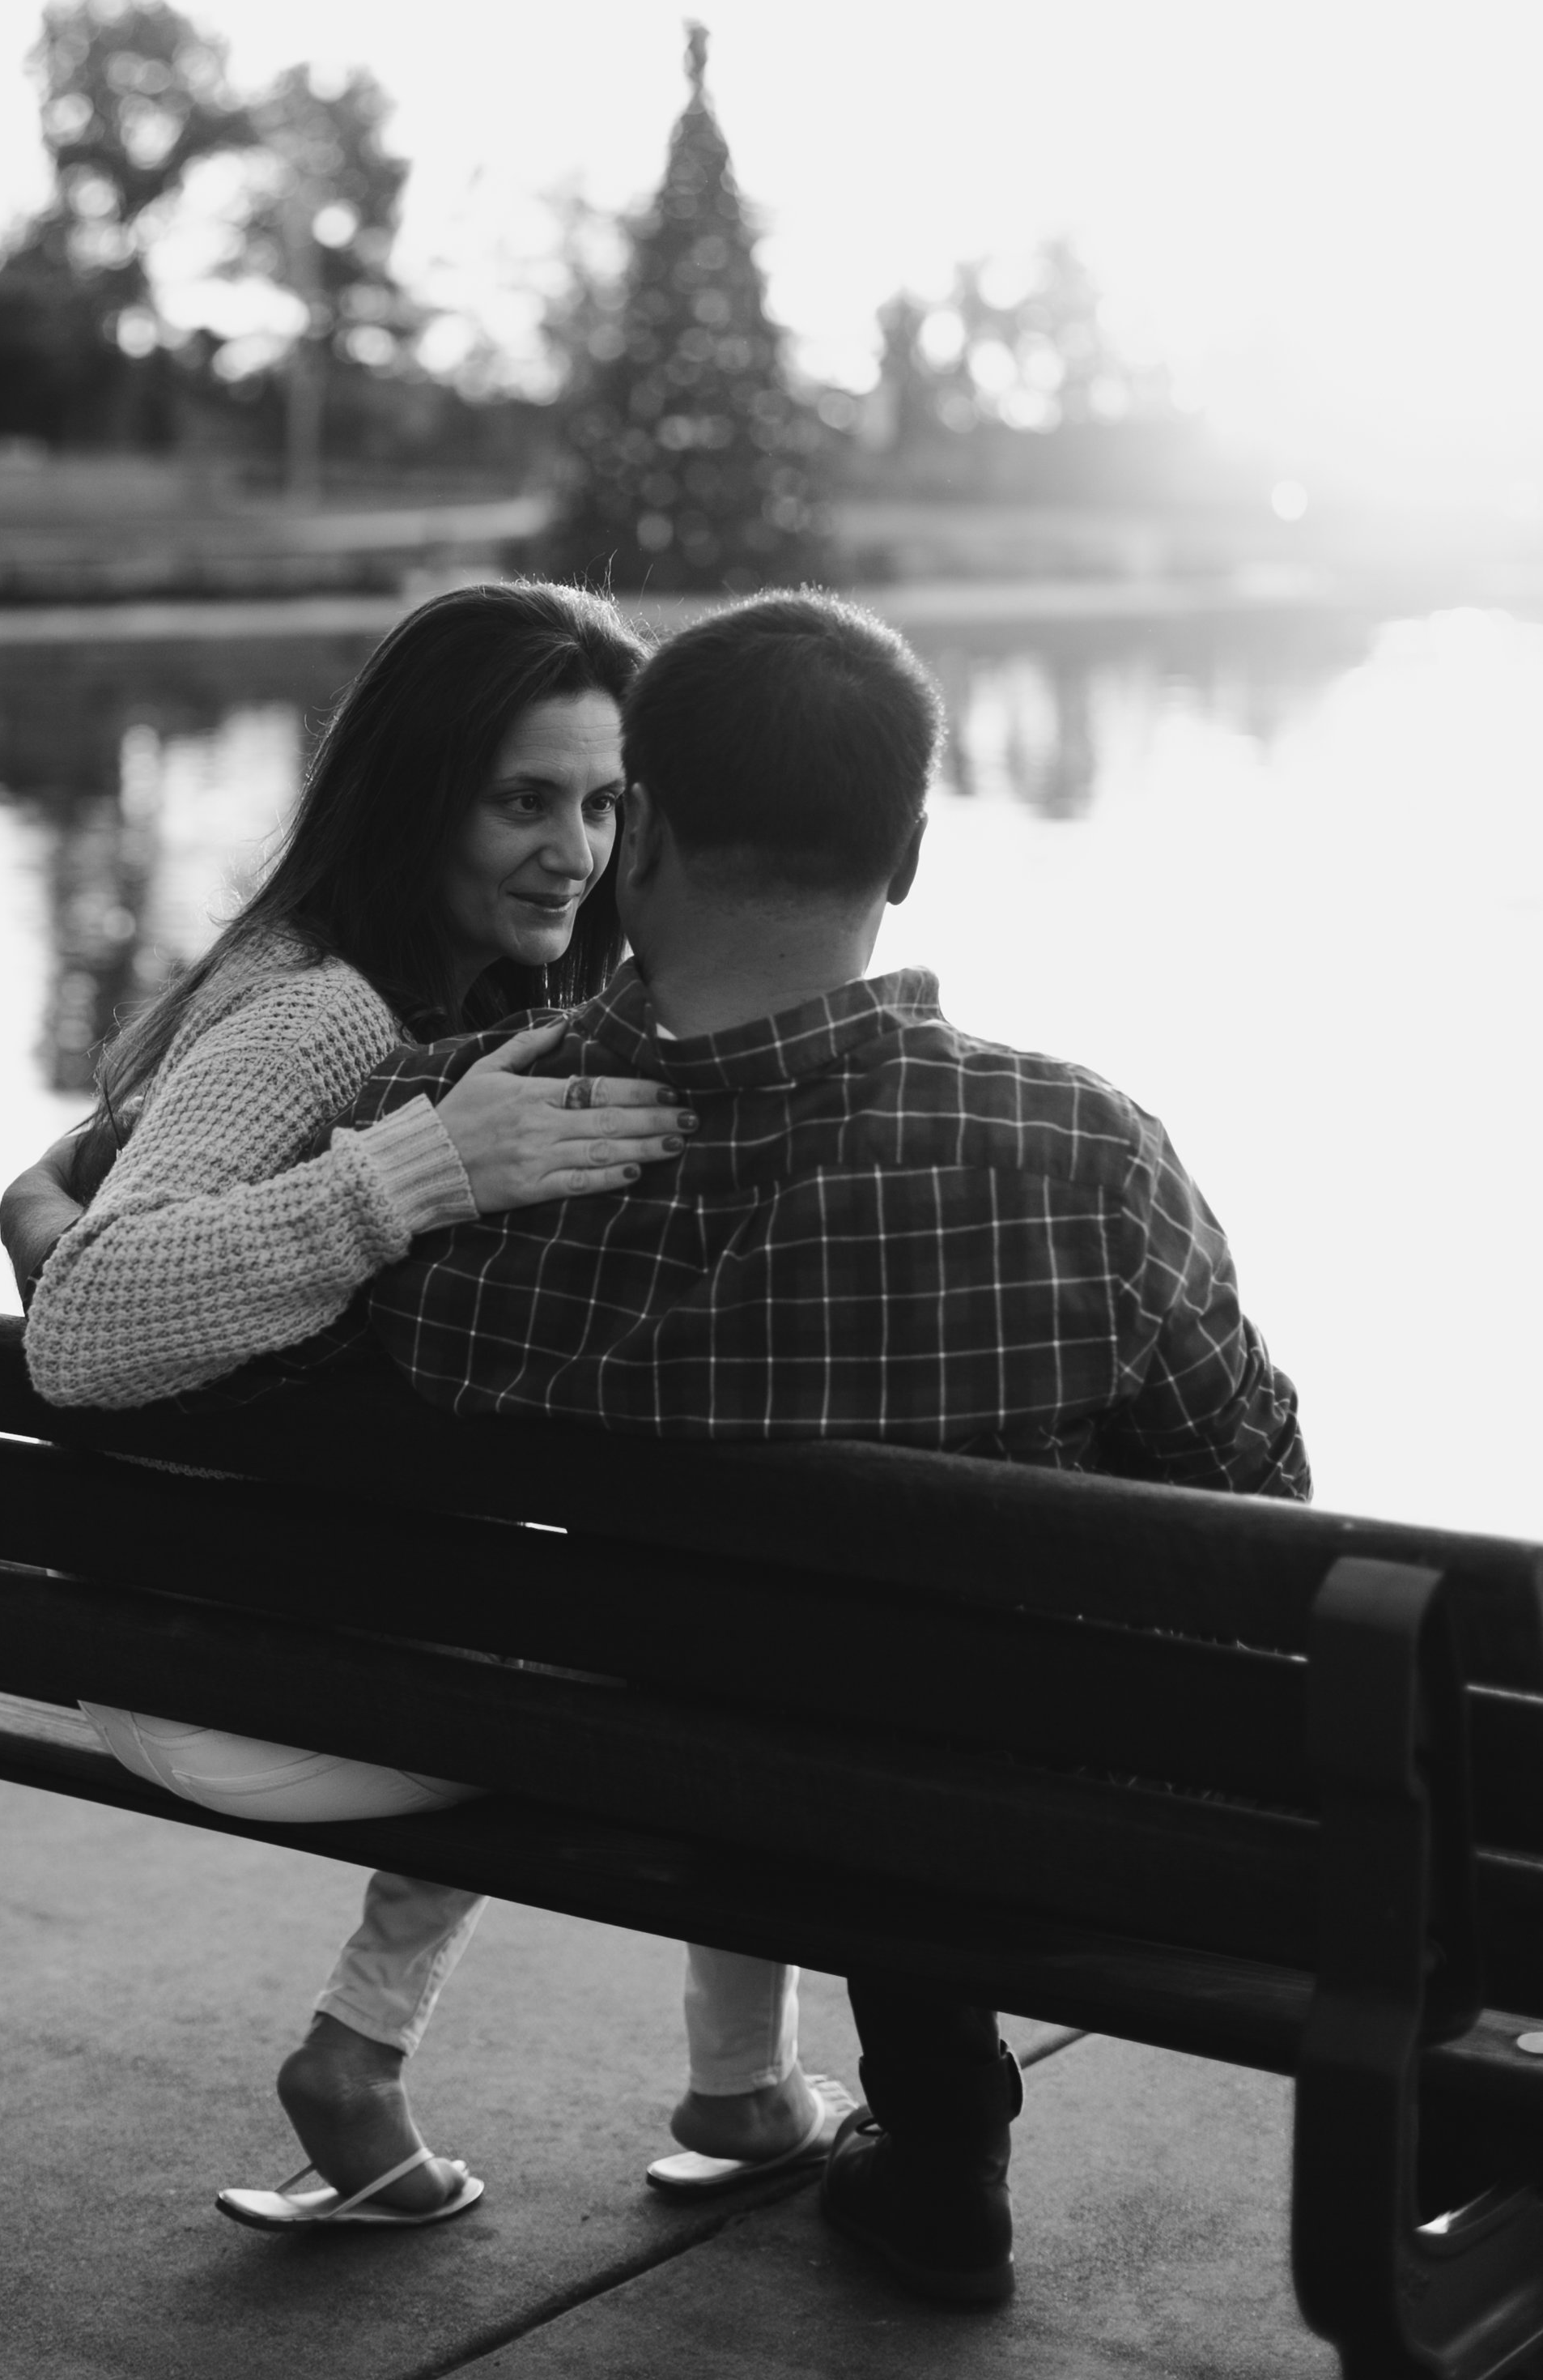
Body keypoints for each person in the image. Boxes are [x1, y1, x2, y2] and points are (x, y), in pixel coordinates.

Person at [318, 587, 1309, 2304]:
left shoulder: (465, 1147)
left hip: (635, 1769)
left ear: (643, 845)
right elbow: (1259, 1506)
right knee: (947, 1673)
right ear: (910, 849)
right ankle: (933, 2136)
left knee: (814, 1679)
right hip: (1018, 1802)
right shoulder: (1073, 1148)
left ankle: (928, 2133)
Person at [4, 580, 705, 2230]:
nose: (575, 854)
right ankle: (440, 2053)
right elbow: (92, 1320)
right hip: (231, 1689)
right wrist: (413, 1174)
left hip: (234, 1628)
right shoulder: (325, 1010)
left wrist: (34, 1209)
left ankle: (672, 2081)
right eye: (522, 800)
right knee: (723, 1651)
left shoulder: (466, 1008)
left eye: (605, 805)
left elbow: (58, 1208)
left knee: (639, 1602)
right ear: (415, 795)